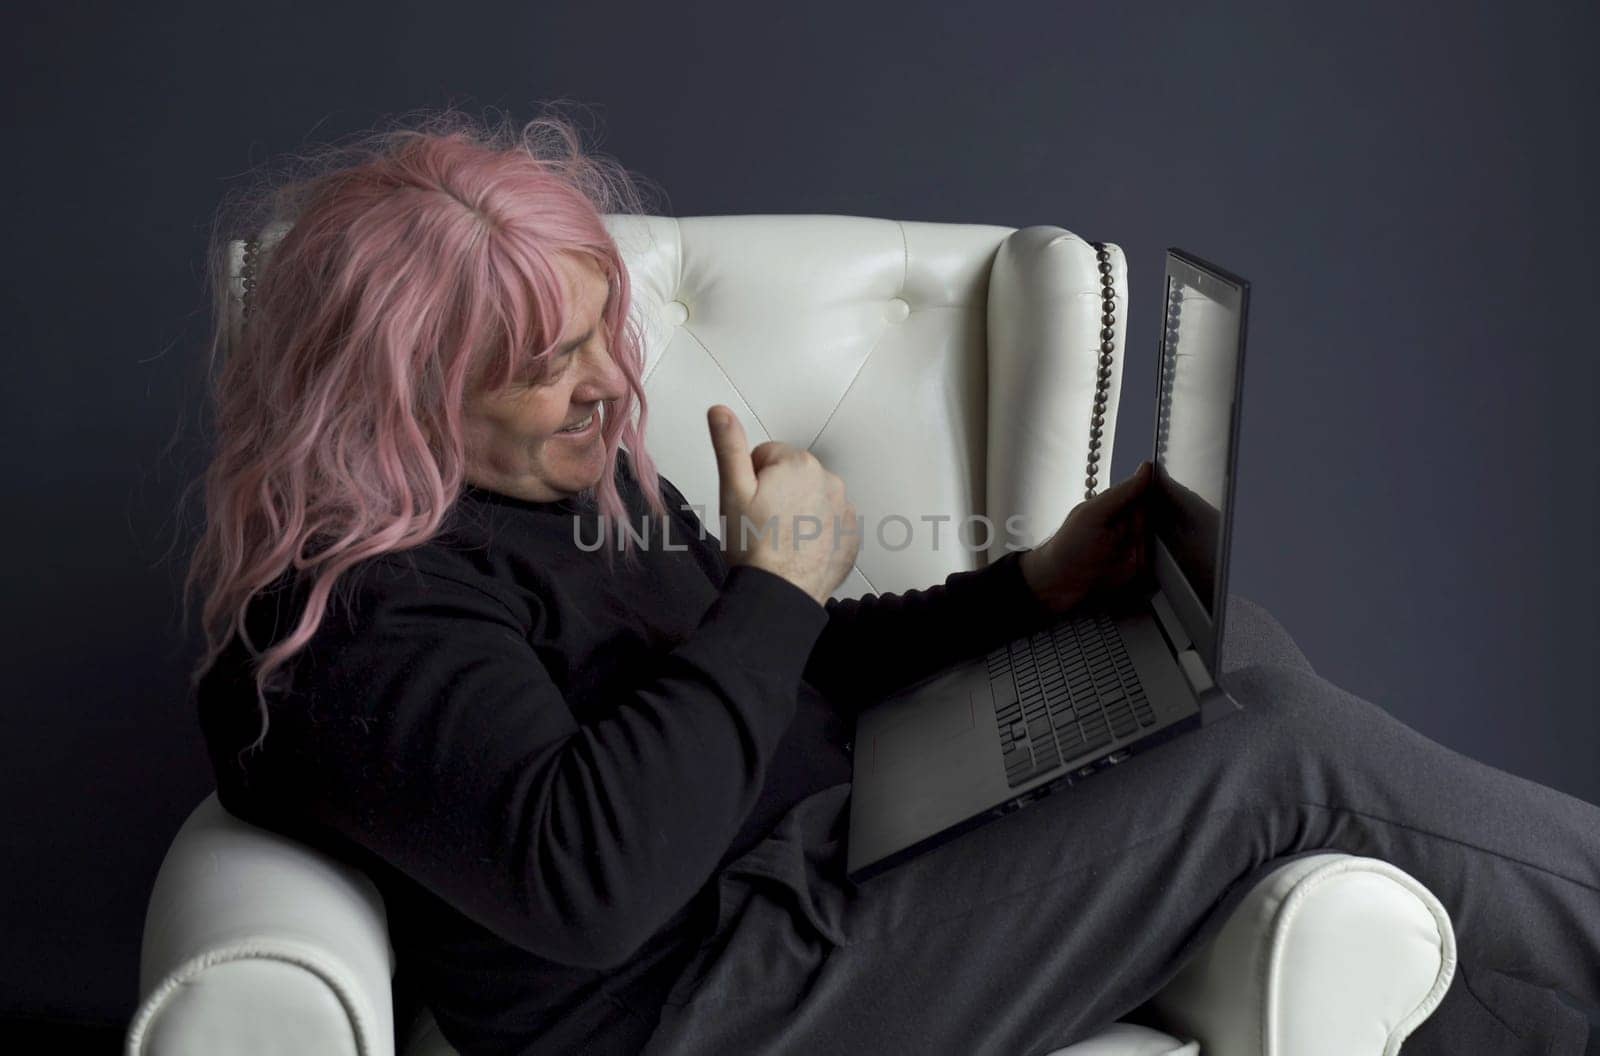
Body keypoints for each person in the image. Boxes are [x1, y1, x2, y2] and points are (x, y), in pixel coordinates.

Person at [183, 108, 1600, 1056]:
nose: (612, 388)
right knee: (1277, 763)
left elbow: (753, 679)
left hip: (834, 847)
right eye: (548, 367)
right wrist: (774, 585)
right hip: (709, 998)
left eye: (604, 333)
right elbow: (594, 876)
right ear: (391, 398)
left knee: (1229, 659)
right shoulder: (342, 614)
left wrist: (1029, 590)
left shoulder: (568, 478)